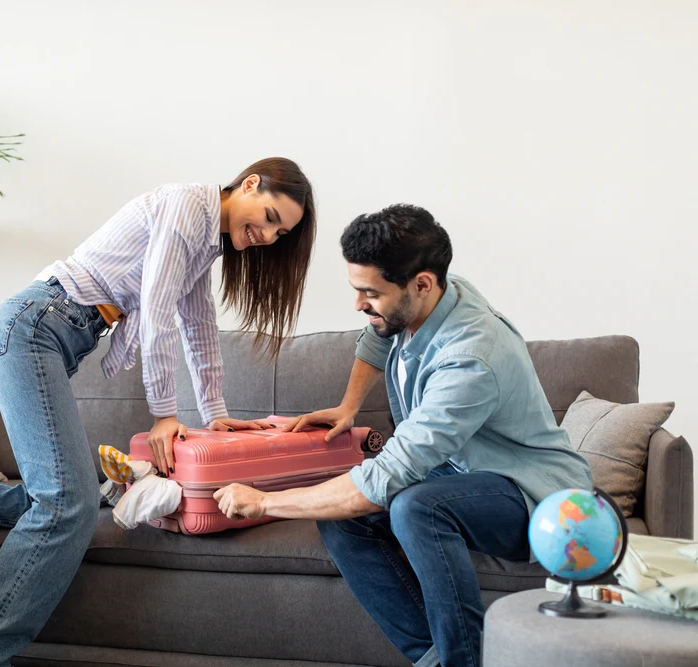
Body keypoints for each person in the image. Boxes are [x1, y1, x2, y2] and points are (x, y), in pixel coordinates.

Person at [0, 157, 316, 667]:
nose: (268, 236)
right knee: (67, 506)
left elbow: (198, 325)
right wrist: (165, 412)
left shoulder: (204, 239)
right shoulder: (188, 207)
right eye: (271, 218)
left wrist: (214, 413)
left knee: (69, 497)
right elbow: (158, 313)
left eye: (280, 233)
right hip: (32, 330)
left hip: (45, 334)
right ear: (250, 184)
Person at [213, 204, 592, 667]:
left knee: (417, 507)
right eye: (357, 289)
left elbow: (385, 478)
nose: (358, 304)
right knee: (342, 519)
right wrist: (348, 406)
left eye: (370, 293)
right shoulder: (430, 296)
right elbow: (378, 334)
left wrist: (264, 502)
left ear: (422, 284)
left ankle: (464, 661)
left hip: (533, 494)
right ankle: (436, 659)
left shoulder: (472, 358)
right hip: (460, 474)